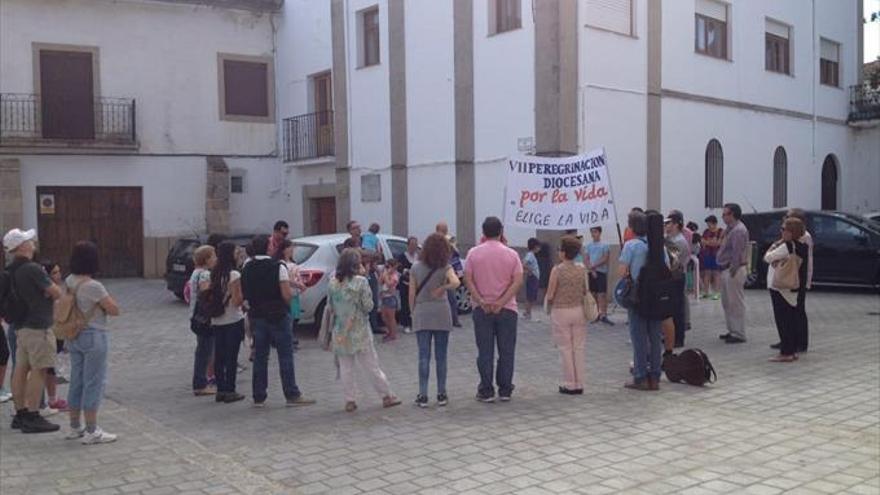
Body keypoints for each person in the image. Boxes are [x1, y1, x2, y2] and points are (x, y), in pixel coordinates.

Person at [241, 235, 315, 408]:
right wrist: (288, 306)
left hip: (257, 314)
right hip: (277, 315)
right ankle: (291, 393)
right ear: (269, 248)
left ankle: (258, 395)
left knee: (260, 355)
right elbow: (286, 294)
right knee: (285, 355)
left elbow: (245, 290)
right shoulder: (278, 266)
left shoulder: (247, 266)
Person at [4, 228, 64, 433]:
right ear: (22, 246)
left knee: (20, 369)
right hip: (38, 325)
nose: (33, 242)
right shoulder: (32, 269)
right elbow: (55, 292)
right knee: (40, 369)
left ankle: (20, 413)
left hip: (20, 326)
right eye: (29, 240)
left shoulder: (10, 269)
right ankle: (32, 415)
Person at [328, 248, 402, 412]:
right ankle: (386, 395)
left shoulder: (333, 282)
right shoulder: (361, 282)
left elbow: (331, 306)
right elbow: (368, 306)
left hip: (340, 329)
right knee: (371, 365)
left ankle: (350, 400)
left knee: (346, 367)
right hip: (359, 329)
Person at [64, 241, 121, 444]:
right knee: (94, 382)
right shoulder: (93, 285)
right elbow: (114, 309)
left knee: (76, 380)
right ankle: (92, 429)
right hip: (94, 335)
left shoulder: (69, 280)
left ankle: (74, 426)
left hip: (74, 335)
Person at [464, 217, 524, 403]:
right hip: (507, 309)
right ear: (501, 232)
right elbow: (518, 280)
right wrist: (502, 301)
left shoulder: (473, 253)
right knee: (506, 350)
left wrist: (481, 300)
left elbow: (468, 279)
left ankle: (486, 389)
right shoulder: (512, 254)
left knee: (485, 351)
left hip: (481, 309)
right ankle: (505, 389)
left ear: (483, 232)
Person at [409, 233, 460, 407]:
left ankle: (423, 395)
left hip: (422, 312)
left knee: (423, 356)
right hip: (441, 312)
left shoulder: (415, 267)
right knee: (441, 356)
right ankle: (441, 394)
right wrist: (443, 288)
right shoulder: (445, 267)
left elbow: (411, 295)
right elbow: (456, 283)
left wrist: (412, 312)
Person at [618, 211, 665, 391]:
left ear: (631, 227)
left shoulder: (631, 245)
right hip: (656, 296)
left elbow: (622, 272)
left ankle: (640, 376)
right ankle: (655, 377)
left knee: (638, 337)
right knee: (654, 337)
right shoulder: (657, 245)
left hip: (638, 296)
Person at [545, 236, 588, 395]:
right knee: (579, 347)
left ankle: (570, 383)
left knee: (565, 348)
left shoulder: (557, 270)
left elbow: (550, 294)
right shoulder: (582, 268)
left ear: (564, 252)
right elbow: (585, 290)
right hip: (579, 310)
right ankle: (580, 383)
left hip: (561, 311)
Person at [764, 218, 809, 363]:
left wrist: (774, 246)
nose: (781, 231)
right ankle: (792, 350)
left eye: (783, 229)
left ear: (791, 232)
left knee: (783, 321)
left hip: (781, 287)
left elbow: (767, 257)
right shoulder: (802, 246)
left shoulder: (786, 246)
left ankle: (786, 352)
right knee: (791, 320)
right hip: (793, 287)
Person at [771, 208, 813, 353]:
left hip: (797, 279)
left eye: (787, 218)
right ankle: (788, 339)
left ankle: (800, 341)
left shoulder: (803, 237)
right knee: (789, 314)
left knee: (798, 311)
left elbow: (804, 260)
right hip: (789, 278)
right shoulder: (787, 238)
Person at [209, 241, 246, 403]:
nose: (238, 256)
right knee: (231, 357)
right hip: (233, 319)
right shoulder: (234, 274)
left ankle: (220, 390)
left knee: (219, 356)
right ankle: (230, 390)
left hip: (217, 319)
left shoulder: (214, 273)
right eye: (237, 253)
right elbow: (237, 301)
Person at [717, 203, 750, 344]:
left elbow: (737, 252)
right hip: (726, 268)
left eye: (725, 214)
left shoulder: (738, 231)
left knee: (735, 301)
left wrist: (733, 269)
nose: (723, 217)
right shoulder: (730, 229)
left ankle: (738, 333)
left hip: (733, 269)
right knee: (727, 302)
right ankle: (732, 329)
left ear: (732, 215)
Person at [40, 260, 68, 412]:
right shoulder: (47, 290)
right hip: (50, 330)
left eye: (59, 271)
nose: (58, 275)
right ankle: (48, 400)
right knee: (47, 367)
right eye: (54, 273)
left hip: (58, 331)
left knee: (51, 366)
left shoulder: (58, 288)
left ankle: (52, 398)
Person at [190, 245, 216, 396]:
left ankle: (200, 381)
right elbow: (206, 294)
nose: (216, 259)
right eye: (213, 256)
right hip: (204, 318)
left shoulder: (196, 272)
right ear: (206, 259)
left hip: (196, 316)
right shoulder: (205, 274)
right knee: (204, 351)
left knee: (202, 349)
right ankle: (200, 384)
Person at [274, 239, 306, 351]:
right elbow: (286, 280)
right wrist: (298, 284)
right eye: (290, 247)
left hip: (295, 293)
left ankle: (291, 338)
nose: (292, 250)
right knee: (289, 317)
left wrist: (301, 284)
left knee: (294, 317)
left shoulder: (292, 263)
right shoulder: (281, 264)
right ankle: (288, 340)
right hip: (288, 291)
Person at [665, 212, 690, 348]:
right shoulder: (671, 239)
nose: (666, 226)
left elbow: (673, 261)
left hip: (677, 277)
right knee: (672, 309)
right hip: (672, 277)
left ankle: (678, 338)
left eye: (668, 223)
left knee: (677, 309)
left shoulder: (679, 241)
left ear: (675, 224)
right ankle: (672, 336)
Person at [585, 227, 613, 325]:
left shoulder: (605, 245)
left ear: (600, 233)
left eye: (595, 232)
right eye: (592, 232)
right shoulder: (588, 246)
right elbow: (587, 259)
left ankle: (604, 314)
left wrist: (594, 266)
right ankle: (596, 314)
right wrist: (591, 269)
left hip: (601, 271)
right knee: (594, 294)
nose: (593, 234)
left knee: (602, 294)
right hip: (592, 272)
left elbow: (605, 258)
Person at [396, 236, 420, 332]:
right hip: (405, 283)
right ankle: (406, 324)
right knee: (405, 304)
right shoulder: (402, 256)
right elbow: (398, 268)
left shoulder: (418, 257)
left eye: (415, 245)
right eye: (412, 245)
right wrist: (405, 271)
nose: (413, 247)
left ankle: (414, 323)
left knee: (415, 303)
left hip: (416, 283)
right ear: (408, 245)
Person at [700, 215, 724, 300]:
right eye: (707, 224)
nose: (708, 226)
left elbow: (718, 243)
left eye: (710, 224)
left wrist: (708, 242)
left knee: (716, 274)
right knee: (707, 273)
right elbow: (702, 242)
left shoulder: (721, 231)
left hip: (717, 255)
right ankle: (706, 292)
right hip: (707, 255)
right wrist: (710, 242)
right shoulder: (706, 231)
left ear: (714, 223)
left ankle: (717, 292)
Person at [379, 258, 401, 342]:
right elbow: (380, 281)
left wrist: (386, 275)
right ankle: (389, 331)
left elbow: (389, 285)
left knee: (391, 318)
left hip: (390, 298)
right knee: (384, 317)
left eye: (389, 266)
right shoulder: (385, 273)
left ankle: (393, 334)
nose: (387, 268)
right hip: (384, 298)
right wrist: (383, 274)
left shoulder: (395, 276)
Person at [522, 238, 541, 321]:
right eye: (538, 247)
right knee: (530, 296)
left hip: (534, 277)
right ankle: (527, 313)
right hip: (533, 277)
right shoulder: (530, 255)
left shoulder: (531, 255)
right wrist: (530, 270)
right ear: (535, 247)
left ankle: (528, 312)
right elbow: (524, 263)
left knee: (532, 296)